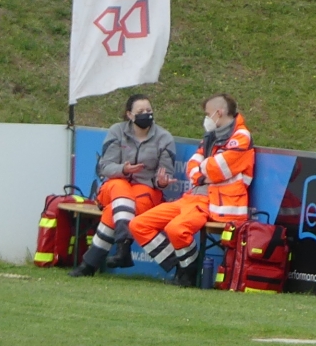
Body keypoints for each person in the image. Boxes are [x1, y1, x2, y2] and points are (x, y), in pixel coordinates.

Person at [127, 94, 255, 288]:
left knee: (176, 229)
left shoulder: (241, 136)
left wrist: (204, 170)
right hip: (191, 197)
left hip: (213, 202)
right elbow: (192, 166)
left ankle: (188, 272)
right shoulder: (211, 136)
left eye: (208, 114)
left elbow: (218, 168)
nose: (206, 118)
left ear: (219, 113)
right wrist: (203, 173)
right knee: (139, 224)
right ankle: (182, 265)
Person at [72, 92, 179, 277]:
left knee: (113, 211)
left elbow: (164, 175)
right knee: (119, 188)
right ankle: (176, 266)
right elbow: (105, 167)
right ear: (129, 114)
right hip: (115, 186)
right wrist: (124, 169)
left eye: (149, 110)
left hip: (146, 190)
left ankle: (89, 264)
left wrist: (161, 182)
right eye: (141, 111)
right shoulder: (117, 131)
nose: (146, 114)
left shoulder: (164, 138)